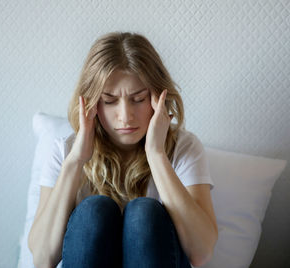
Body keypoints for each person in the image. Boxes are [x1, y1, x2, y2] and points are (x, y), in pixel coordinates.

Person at [28, 32, 218, 268]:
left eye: (138, 99)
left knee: (143, 214)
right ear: (91, 103)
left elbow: (201, 253)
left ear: (158, 97)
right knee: (93, 211)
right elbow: (42, 259)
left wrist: (157, 155)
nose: (126, 116)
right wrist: (76, 161)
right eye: (109, 101)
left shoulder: (183, 147)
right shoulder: (66, 150)